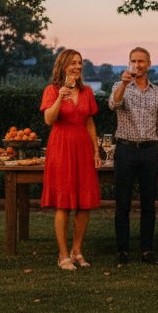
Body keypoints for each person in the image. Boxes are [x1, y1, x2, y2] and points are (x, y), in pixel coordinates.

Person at [41, 49, 102, 270]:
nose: (77, 67)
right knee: (63, 203)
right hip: (61, 147)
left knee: (84, 204)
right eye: (73, 63)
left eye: (79, 63)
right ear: (63, 65)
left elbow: (89, 123)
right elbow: (49, 119)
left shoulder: (86, 92)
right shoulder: (52, 90)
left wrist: (96, 151)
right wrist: (60, 97)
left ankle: (77, 250)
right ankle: (63, 254)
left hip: (83, 147)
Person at [108, 47, 158, 265]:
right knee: (122, 203)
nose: (137, 65)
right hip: (125, 150)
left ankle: (146, 250)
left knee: (149, 204)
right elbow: (113, 104)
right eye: (133, 61)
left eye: (141, 61)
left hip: (150, 151)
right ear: (129, 63)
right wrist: (123, 84)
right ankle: (122, 250)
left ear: (149, 64)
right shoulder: (119, 86)